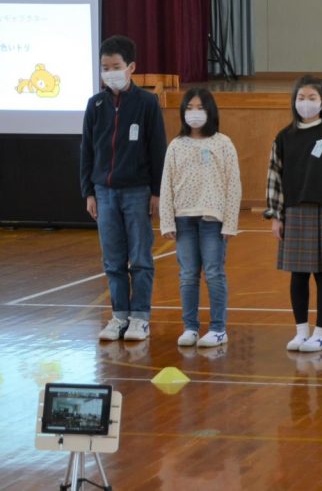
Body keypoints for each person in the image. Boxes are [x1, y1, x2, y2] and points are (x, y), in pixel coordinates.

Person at [81, 35, 166, 342]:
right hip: (104, 192)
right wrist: (88, 191)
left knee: (140, 257)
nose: (110, 72)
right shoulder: (96, 105)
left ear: (131, 67)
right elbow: (87, 151)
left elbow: (158, 149)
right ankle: (119, 315)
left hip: (137, 191)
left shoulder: (147, 103)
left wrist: (156, 193)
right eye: (104, 67)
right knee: (113, 259)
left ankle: (140, 317)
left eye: (115, 66)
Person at [265, 75, 322, 352]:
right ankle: (301, 331)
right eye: (301, 97)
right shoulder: (284, 137)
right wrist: (276, 215)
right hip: (292, 211)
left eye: (312, 98)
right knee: (298, 274)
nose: (305, 103)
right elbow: (274, 177)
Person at [159, 88, 242, 348]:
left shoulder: (223, 143)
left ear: (211, 111)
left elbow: (234, 185)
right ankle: (190, 327)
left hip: (212, 220)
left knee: (215, 273)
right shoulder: (176, 145)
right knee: (187, 275)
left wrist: (230, 222)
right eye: (190, 108)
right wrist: (166, 221)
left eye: (200, 107)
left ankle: (218, 328)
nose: (195, 113)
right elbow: (166, 185)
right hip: (183, 218)